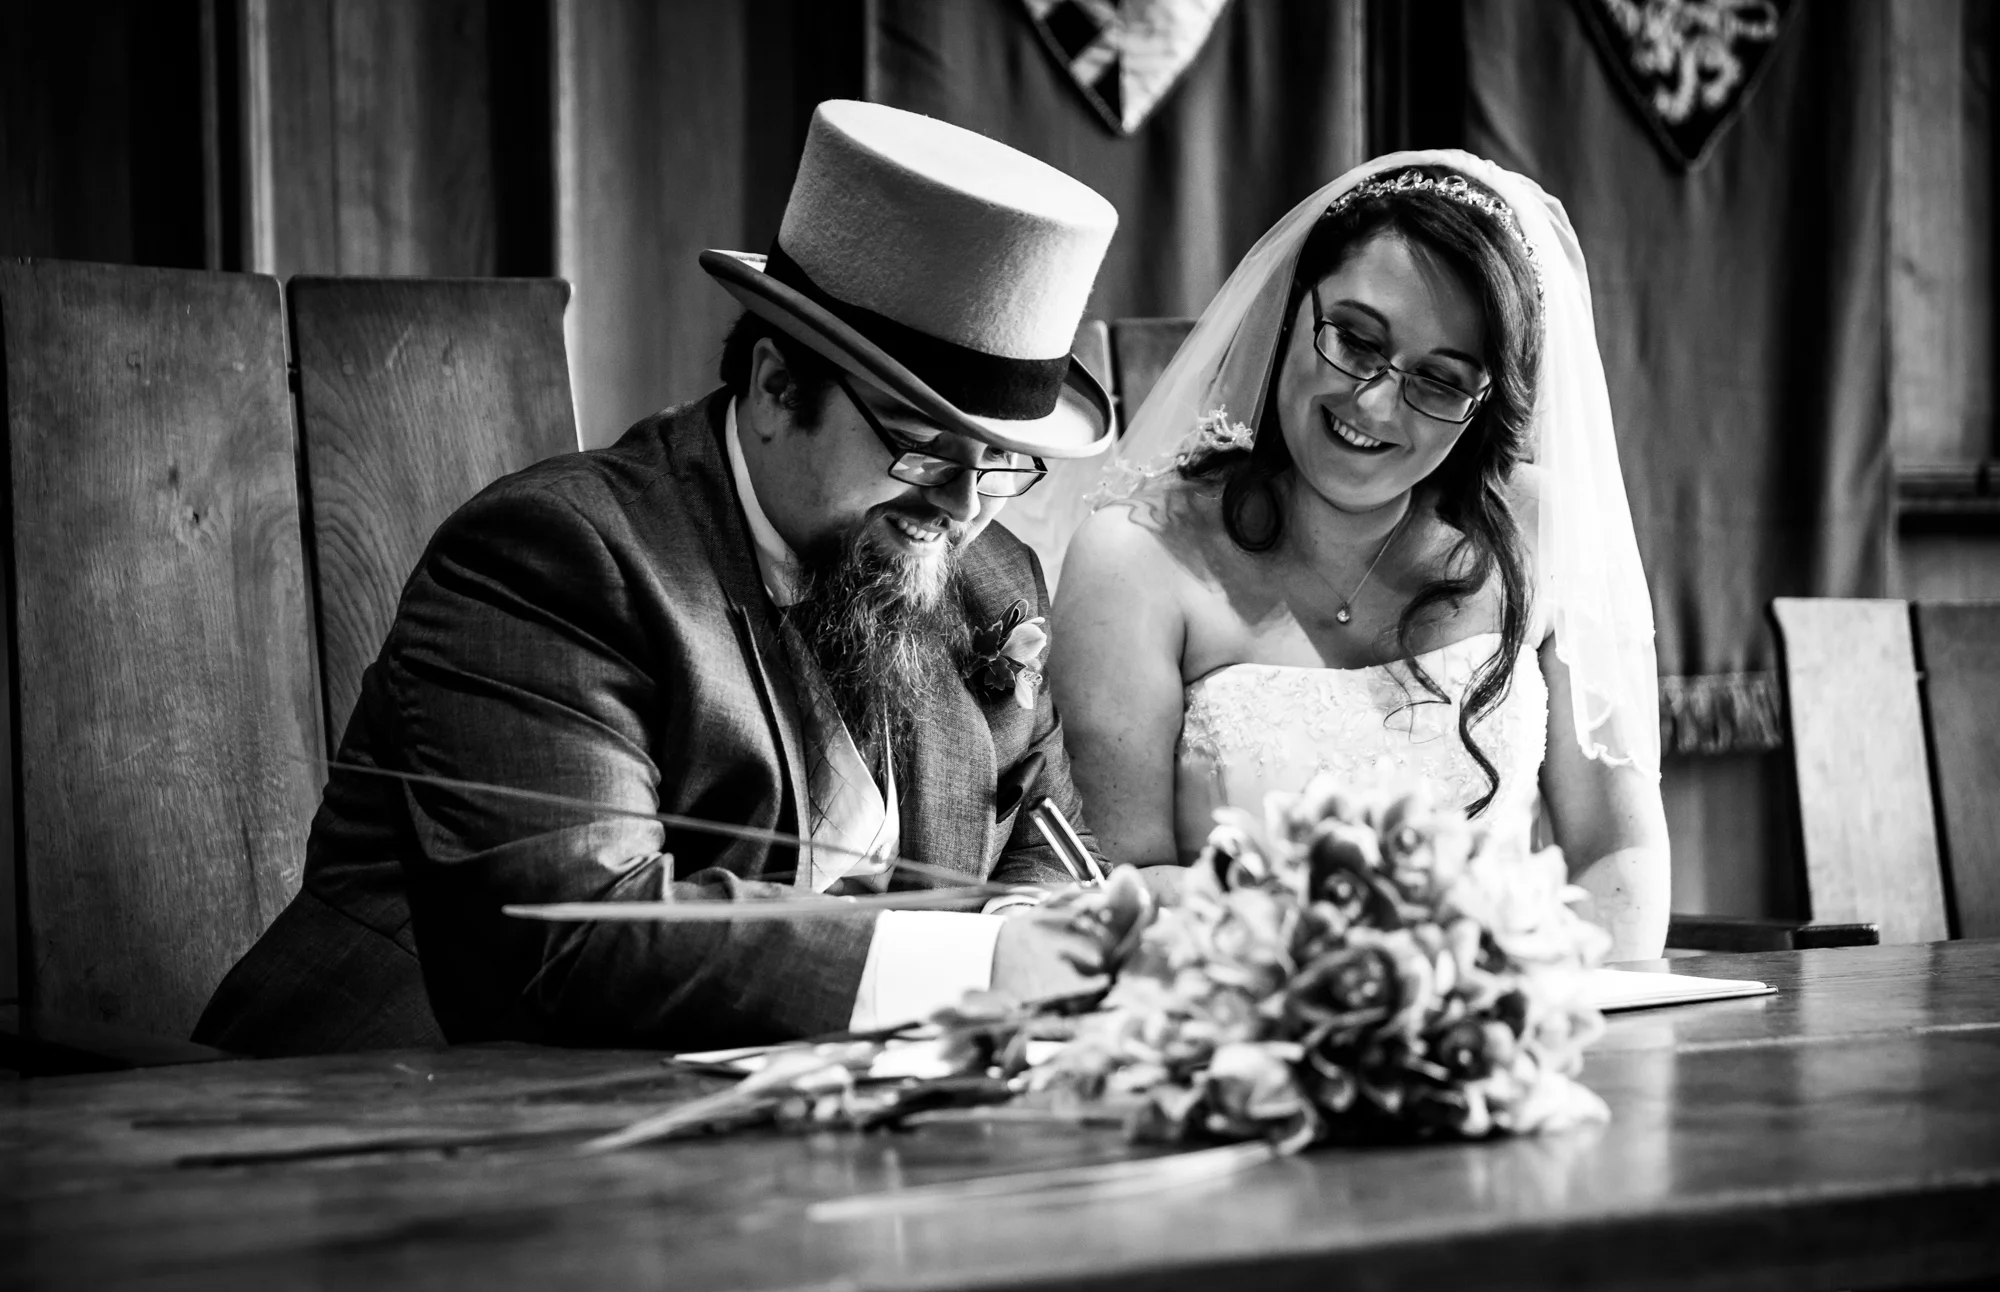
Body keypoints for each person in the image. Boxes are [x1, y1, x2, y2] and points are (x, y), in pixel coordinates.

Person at [194, 101, 1120, 1056]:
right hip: (387, 1098)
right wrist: (980, 969)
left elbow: (1047, 853)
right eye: (922, 444)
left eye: (1000, 461)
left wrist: (1039, 947)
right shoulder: (556, 557)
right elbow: (575, 934)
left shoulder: (987, 579)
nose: (964, 505)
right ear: (776, 386)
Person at [1048, 151, 1671, 962]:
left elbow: (1618, 856)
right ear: (1292, 309)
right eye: (1354, 338)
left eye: (1440, 380)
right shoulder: (1136, 559)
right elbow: (1120, 879)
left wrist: (1542, 1005)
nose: (1375, 401)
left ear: (1483, 405)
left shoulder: (1542, 530)